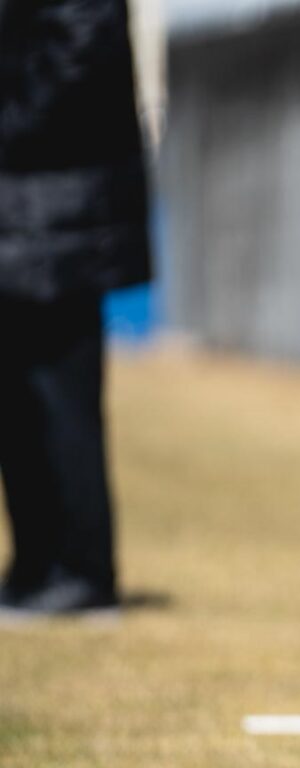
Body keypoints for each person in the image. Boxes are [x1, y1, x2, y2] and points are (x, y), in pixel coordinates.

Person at [0, 0, 151, 619]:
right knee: (17, 399)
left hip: (67, 205)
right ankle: (36, 566)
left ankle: (82, 573)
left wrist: (9, 118)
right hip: (23, 205)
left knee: (60, 394)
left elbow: (78, 53)